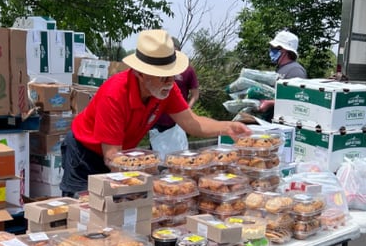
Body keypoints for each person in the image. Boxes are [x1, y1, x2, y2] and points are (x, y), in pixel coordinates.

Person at [60, 29, 251, 198]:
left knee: (119, 206)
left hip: (122, 156)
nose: (170, 82)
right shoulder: (115, 94)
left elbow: (192, 123)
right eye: (163, 77)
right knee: (85, 209)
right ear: (140, 74)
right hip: (85, 155)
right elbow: (112, 156)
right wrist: (146, 182)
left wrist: (227, 127)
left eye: (172, 75)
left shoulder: (167, 89)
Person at [148, 37, 200, 159]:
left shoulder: (188, 70)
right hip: (157, 118)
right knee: (156, 158)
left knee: (178, 158)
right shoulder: (157, 71)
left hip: (177, 121)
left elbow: (195, 94)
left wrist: (186, 110)